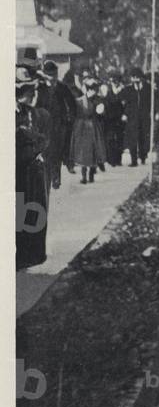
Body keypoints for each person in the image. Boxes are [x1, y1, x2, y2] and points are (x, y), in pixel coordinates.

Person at [16, 65, 51, 270]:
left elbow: (43, 139)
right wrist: (35, 146)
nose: (32, 94)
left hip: (31, 174)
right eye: (28, 90)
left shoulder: (32, 113)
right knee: (19, 214)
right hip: (18, 171)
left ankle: (31, 254)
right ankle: (21, 257)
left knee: (33, 213)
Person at [36, 60, 75, 190]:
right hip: (44, 125)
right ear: (45, 75)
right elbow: (36, 105)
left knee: (56, 151)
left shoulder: (62, 87)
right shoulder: (39, 88)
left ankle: (56, 178)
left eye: (55, 75)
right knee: (46, 151)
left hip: (59, 125)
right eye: (50, 75)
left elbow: (72, 103)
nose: (53, 78)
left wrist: (70, 117)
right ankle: (47, 177)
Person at [71, 78, 107, 183]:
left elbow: (102, 114)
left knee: (94, 150)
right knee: (83, 152)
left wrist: (101, 110)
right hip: (82, 128)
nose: (91, 91)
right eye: (89, 89)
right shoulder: (80, 101)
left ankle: (91, 174)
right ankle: (84, 176)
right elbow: (75, 113)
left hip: (93, 128)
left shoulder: (98, 100)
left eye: (93, 89)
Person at [120, 67, 152, 166]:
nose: (135, 79)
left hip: (144, 117)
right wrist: (125, 114)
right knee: (132, 139)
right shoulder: (128, 89)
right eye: (133, 77)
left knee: (143, 138)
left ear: (141, 78)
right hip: (132, 118)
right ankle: (134, 160)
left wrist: (154, 112)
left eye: (137, 77)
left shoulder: (147, 88)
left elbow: (152, 102)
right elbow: (125, 103)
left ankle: (143, 156)